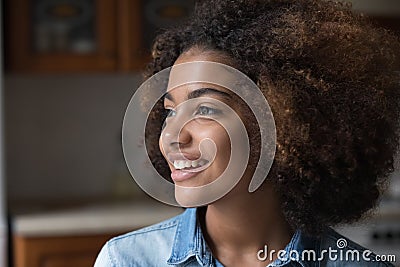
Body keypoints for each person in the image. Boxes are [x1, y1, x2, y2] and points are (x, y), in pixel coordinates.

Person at [95, 0, 400, 266]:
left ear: (281, 122)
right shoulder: (128, 260)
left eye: (205, 110)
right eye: (170, 111)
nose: (173, 136)